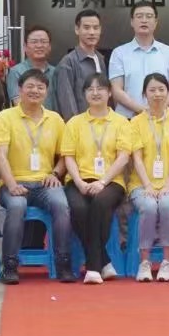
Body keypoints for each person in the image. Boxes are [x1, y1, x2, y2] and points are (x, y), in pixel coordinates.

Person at [0, 69, 72, 284]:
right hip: (13, 182)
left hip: (45, 182)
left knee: (61, 204)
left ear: (46, 92)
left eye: (40, 87)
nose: (35, 91)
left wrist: (56, 173)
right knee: (17, 205)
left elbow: (66, 155)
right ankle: (10, 264)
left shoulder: (55, 119)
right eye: (30, 86)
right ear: (19, 90)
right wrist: (11, 184)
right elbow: (0, 156)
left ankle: (63, 262)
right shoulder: (5, 117)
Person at [61, 73, 131, 284]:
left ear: (109, 93)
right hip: (79, 179)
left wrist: (102, 182)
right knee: (79, 208)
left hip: (111, 182)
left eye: (100, 88)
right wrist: (80, 182)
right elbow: (68, 157)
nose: (95, 93)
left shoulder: (121, 122)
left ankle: (92, 267)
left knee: (100, 203)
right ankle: (104, 261)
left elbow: (123, 157)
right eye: (90, 89)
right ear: (84, 94)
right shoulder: (74, 122)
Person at [127, 73, 169, 282]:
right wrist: (148, 186)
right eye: (152, 90)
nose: (157, 94)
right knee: (148, 206)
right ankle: (144, 262)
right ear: (144, 94)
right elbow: (136, 159)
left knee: (166, 205)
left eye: (161, 89)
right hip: (141, 183)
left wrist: (167, 186)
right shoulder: (136, 122)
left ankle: (166, 262)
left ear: (168, 92)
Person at [109, 3, 169, 117]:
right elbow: (116, 90)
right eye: (139, 16)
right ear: (132, 22)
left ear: (156, 22)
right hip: (128, 119)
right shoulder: (119, 53)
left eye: (149, 16)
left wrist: (158, 110)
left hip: (160, 118)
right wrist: (142, 111)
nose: (144, 20)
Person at [53, 10, 106, 121]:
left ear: (100, 30)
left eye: (96, 28)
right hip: (81, 126)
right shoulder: (68, 62)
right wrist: (76, 127)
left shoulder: (100, 59)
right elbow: (67, 102)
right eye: (86, 28)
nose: (92, 32)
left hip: (102, 123)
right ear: (77, 30)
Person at [7, 25, 56, 102]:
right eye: (34, 42)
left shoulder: (56, 72)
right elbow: (18, 103)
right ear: (25, 46)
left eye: (43, 41)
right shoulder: (16, 72)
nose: (39, 45)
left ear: (50, 46)